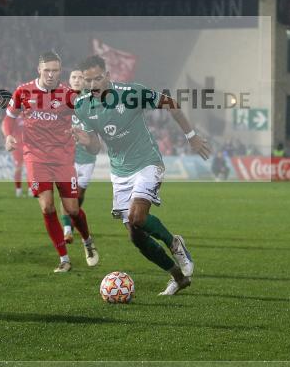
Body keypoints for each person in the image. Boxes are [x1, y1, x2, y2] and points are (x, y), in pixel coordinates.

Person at [72, 55, 210, 296]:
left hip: (147, 162)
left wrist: (191, 137)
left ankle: (174, 243)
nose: (93, 84)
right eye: (88, 80)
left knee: (137, 217)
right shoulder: (83, 106)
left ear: (107, 75)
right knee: (135, 236)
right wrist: (86, 143)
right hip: (119, 171)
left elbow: (170, 103)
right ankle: (177, 277)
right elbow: (95, 147)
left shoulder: (131, 93)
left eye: (97, 78)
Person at [2, 51, 99, 272]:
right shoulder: (23, 91)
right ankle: (64, 259)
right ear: (39, 70)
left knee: (73, 210)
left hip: (63, 158)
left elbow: (90, 119)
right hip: (35, 157)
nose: (51, 74)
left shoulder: (68, 95)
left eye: (55, 71)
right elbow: (9, 117)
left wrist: (88, 136)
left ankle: (87, 240)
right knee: (47, 207)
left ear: (60, 71)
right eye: (47, 70)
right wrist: (8, 135)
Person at [61, 68, 99, 242]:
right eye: (74, 77)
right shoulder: (61, 99)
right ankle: (67, 229)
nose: (77, 80)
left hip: (87, 157)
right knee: (68, 193)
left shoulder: (91, 100)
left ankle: (74, 218)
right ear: (69, 80)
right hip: (67, 155)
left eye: (80, 77)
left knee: (79, 194)